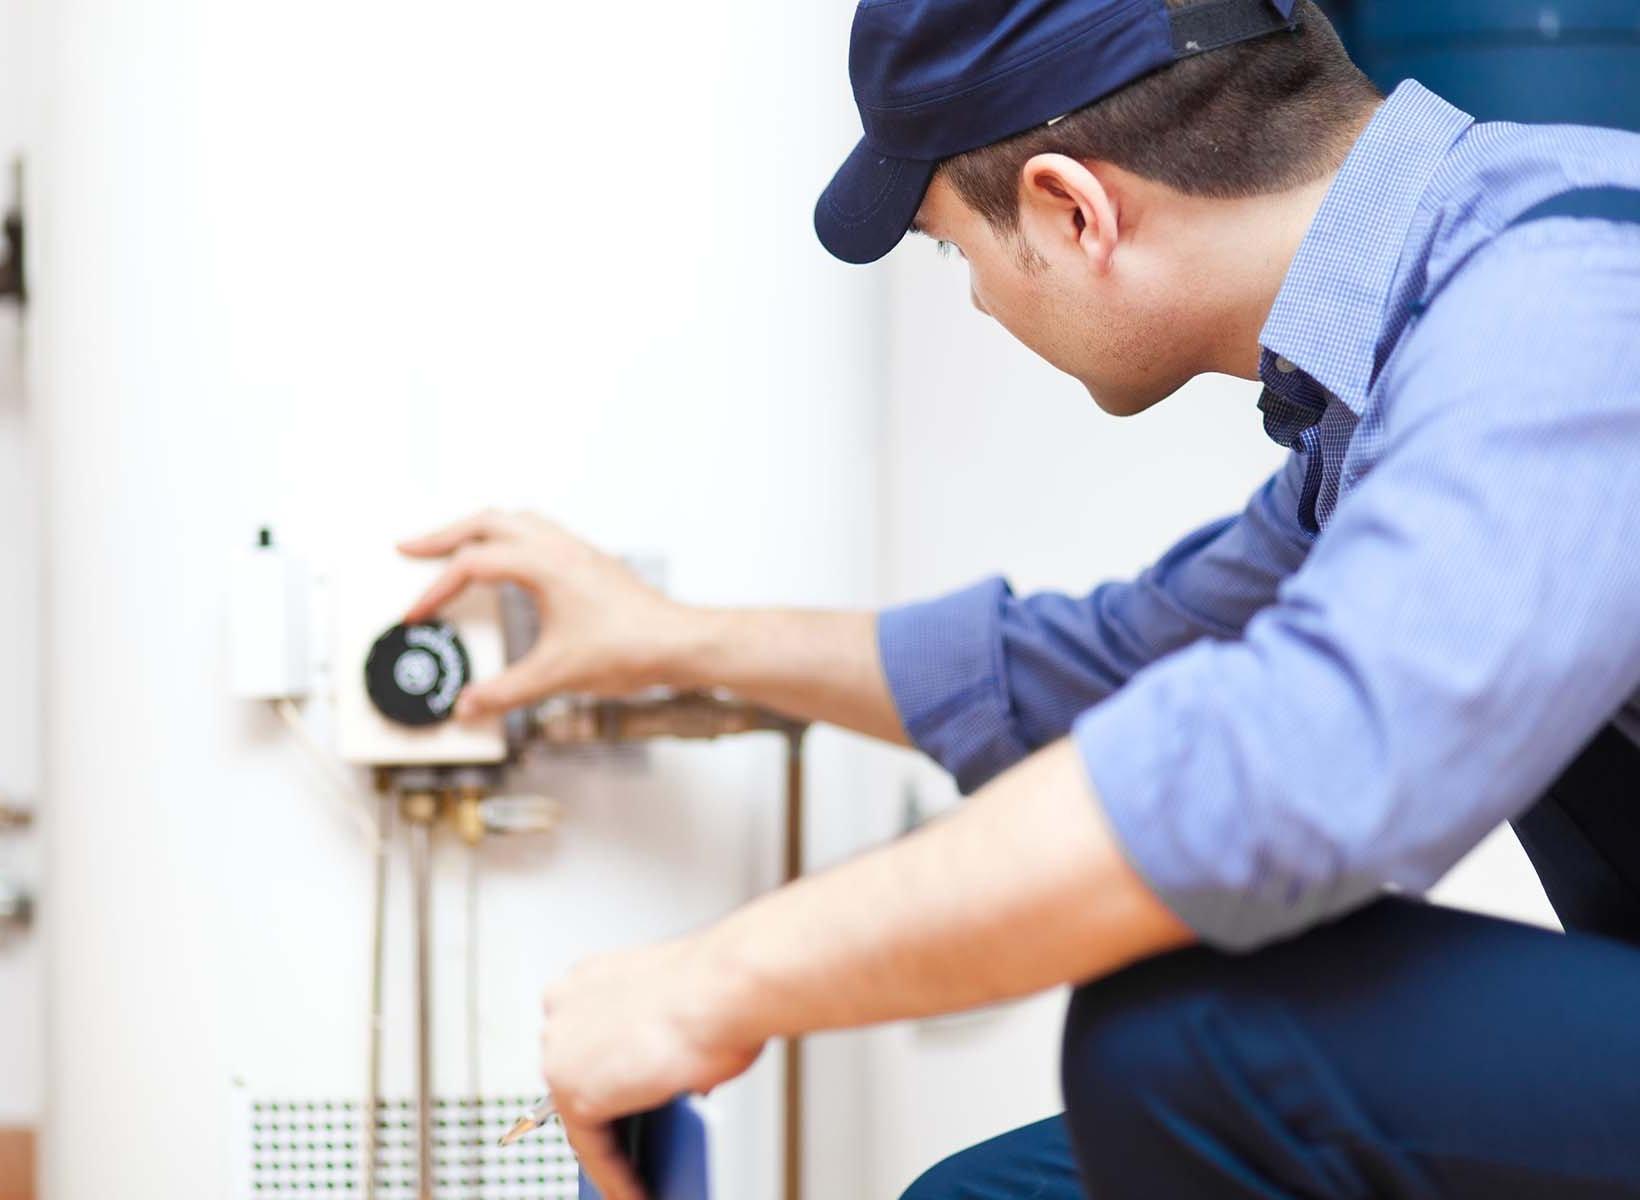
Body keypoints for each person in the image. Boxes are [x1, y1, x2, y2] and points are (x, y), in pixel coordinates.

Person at [399, 0, 1640, 1195]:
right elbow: (1109, 668)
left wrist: (714, 979)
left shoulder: (1562, 298)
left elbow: (1282, 770)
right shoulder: (1399, 360)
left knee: (1189, 1035)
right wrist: (670, 643)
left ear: (1069, 209)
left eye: (954, 248)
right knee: (997, 1192)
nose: (981, 297)